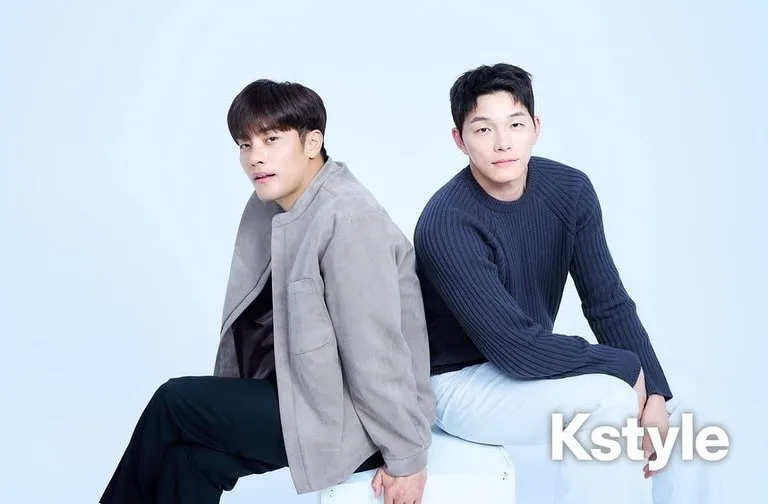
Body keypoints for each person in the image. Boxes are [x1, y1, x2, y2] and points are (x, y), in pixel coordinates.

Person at [99, 78, 435, 504]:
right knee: (190, 459)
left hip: (353, 422)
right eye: (245, 144)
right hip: (302, 396)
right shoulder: (272, 205)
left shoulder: (351, 221)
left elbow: (377, 353)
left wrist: (407, 457)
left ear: (312, 143)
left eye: (271, 139)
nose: (255, 157)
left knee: (174, 402)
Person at [412, 63, 720, 504]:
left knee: (677, 402)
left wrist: (653, 386)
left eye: (515, 124)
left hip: (525, 364)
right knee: (610, 400)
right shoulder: (446, 223)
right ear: (460, 139)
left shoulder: (569, 191)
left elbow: (607, 302)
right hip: (458, 384)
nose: (502, 143)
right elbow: (515, 347)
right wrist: (626, 367)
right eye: (483, 129)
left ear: (535, 128)